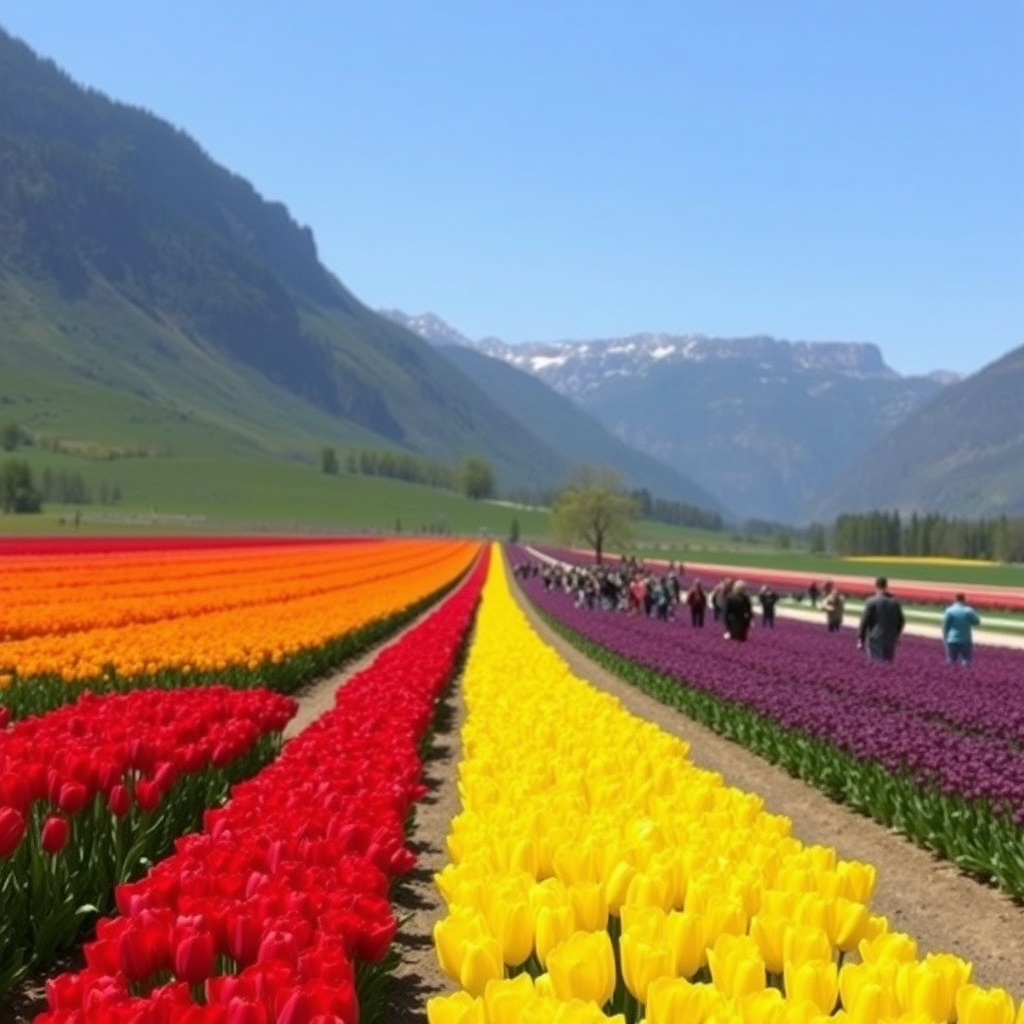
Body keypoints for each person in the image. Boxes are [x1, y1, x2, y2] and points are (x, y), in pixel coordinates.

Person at [857, 576, 905, 662]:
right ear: (886, 586)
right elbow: (901, 621)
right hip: (891, 638)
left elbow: (864, 621)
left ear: (876, 586)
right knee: (888, 665)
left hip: (875, 637)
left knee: (876, 664)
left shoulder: (871, 601)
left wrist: (861, 638)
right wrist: (896, 635)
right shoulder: (895, 602)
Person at [942, 593, 981, 666]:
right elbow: (977, 622)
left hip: (952, 639)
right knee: (966, 660)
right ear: (964, 599)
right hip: (965, 639)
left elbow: (945, 626)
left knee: (951, 660)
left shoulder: (949, 610)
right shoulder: (968, 610)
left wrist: (945, 638)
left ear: (955, 599)